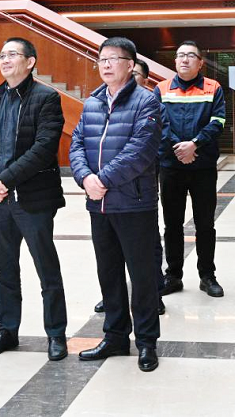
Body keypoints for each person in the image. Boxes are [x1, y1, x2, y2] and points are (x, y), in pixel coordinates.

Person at [70, 37, 164, 372]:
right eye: (102, 59)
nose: (106, 65)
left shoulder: (147, 101)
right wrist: (85, 178)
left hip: (134, 204)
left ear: (130, 64)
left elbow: (140, 151)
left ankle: (147, 342)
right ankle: (115, 336)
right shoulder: (93, 102)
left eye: (114, 59)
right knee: (108, 273)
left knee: (142, 276)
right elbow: (77, 143)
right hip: (99, 206)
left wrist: (102, 180)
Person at [0, 38, 68, 362]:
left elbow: (43, 148)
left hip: (33, 200)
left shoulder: (46, 97)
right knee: (4, 271)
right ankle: (7, 330)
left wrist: (4, 180)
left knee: (46, 270)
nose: (4, 59)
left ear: (30, 62)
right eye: (1, 55)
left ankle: (56, 333)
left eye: (12, 54)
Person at [155, 41, 227, 298]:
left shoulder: (213, 88)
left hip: (203, 166)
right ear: (175, 61)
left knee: (205, 223)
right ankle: (173, 275)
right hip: (171, 165)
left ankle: (207, 276)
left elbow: (218, 121)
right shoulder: (161, 88)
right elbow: (159, 123)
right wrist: (179, 147)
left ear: (200, 63)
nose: (184, 59)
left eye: (190, 56)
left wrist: (194, 144)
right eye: (180, 55)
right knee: (172, 223)